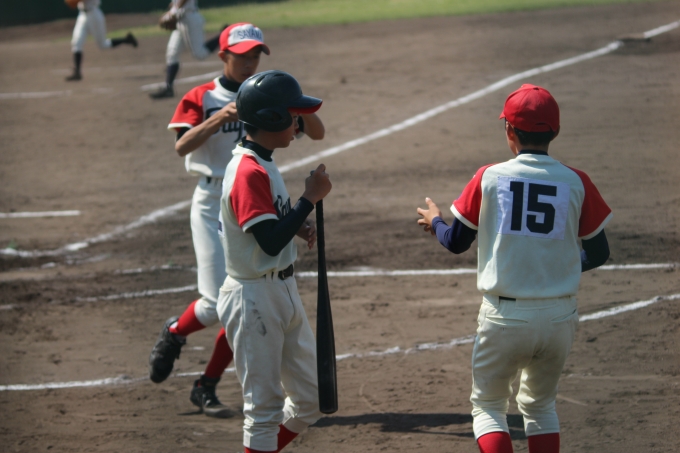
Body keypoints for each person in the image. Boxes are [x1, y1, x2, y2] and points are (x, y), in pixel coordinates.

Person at [416, 84, 612, 453]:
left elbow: (456, 241)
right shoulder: (577, 181)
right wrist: (556, 269)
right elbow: (599, 252)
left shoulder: (489, 177)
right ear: (556, 131)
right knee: (541, 407)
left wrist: (436, 221)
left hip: (505, 318)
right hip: (559, 317)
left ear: (509, 129)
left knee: (489, 407)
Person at [148, 25, 325, 419]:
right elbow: (181, 146)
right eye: (242, 55)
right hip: (213, 199)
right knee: (220, 301)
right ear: (223, 55)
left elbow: (317, 133)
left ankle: (207, 383)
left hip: (258, 195)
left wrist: (295, 105)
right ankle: (175, 332)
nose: (250, 62)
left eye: (255, 55)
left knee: (242, 297)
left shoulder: (267, 95)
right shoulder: (203, 96)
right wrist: (220, 118)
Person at [216, 70, 331, 453]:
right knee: (263, 411)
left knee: (312, 399)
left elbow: (268, 224)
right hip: (253, 298)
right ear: (272, 118)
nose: (298, 124)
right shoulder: (247, 170)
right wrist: (308, 199)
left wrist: (296, 224)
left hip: (280, 291)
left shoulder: (263, 162)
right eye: (293, 116)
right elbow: (267, 244)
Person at [149, 0, 225, 99]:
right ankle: (168, 88)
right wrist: (171, 10)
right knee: (172, 53)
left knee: (200, 54)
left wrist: (173, 11)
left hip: (190, 19)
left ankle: (224, 34)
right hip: (180, 20)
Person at [66, 0, 138, 81]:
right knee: (76, 43)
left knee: (103, 45)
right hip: (82, 15)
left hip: (94, 15)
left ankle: (127, 40)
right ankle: (77, 72)